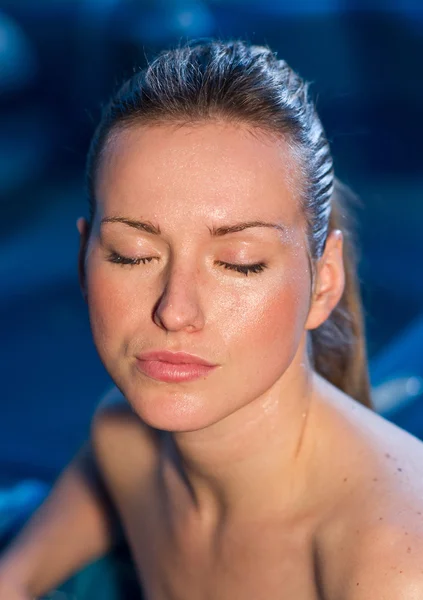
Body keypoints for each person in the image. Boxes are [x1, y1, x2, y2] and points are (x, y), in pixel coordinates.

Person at [1, 39, 423, 600]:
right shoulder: (123, 441)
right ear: (84, 260)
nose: (175, 311)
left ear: (323, 285)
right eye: (132, 253)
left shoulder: (392, 565)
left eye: (238, 263)